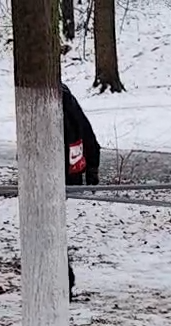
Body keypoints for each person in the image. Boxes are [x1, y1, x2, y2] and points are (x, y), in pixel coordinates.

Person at [62, 83, 100, 296]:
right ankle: (64, 279)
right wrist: (92, 165)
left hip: (59, 174)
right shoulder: (63, 94)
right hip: (66, 173)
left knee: (50, 227)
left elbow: (83, 128)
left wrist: (92, 165)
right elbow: (85, 128)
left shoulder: (58, 95)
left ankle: (63, 280)